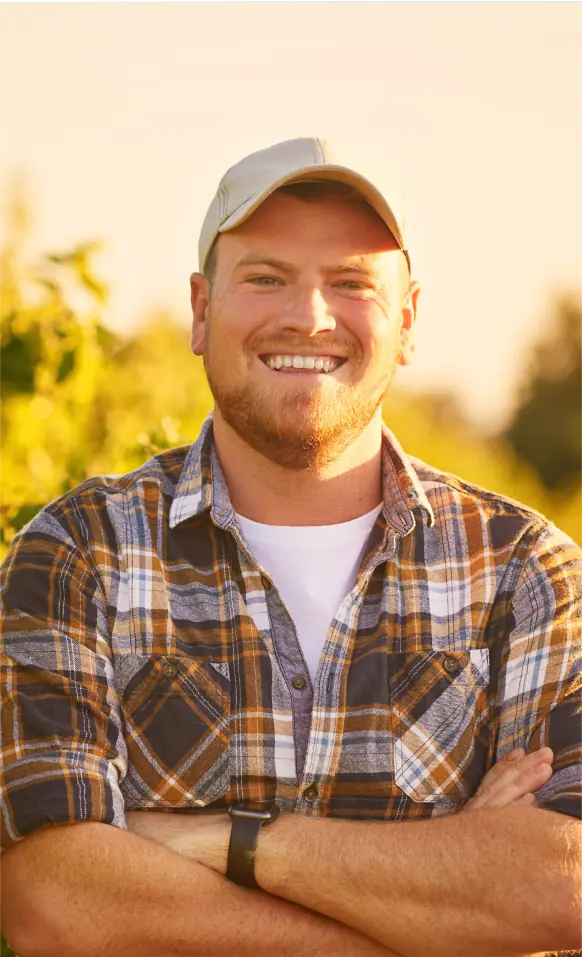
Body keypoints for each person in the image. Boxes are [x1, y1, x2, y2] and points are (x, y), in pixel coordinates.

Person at [0, 136, 580, 957]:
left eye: (350, 283)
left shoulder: (526, 570)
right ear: (201, 310)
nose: (309, 316)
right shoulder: (77, 554)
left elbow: (563, 883)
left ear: (407, 320)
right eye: (267, 277)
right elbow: (54, 901)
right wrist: (444, 902)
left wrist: (219, 842)